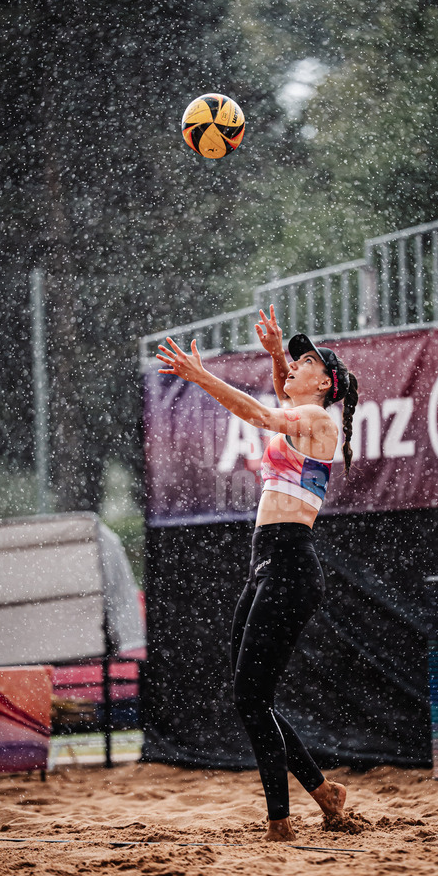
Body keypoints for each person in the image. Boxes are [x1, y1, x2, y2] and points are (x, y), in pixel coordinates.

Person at [157, 304, 359, 842]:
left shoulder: (319, 421)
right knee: (252, 698)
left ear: (327, 384)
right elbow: (277, 403)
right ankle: (324, 794)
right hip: (266, 566)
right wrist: (276, 357)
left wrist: (201, 377)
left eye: (305, 362)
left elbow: (264, 415)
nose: (295, 366)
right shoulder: (302, 416)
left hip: (292, 566)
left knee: (251, 698)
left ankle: (280, 823)